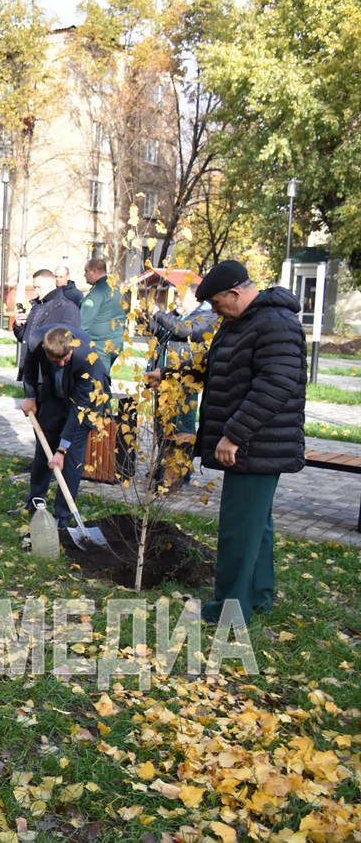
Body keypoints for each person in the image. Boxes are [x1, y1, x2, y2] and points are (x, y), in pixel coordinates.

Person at [145, 261, 305, 624]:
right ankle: (258, 598)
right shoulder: (242, 320)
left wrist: (234, 435)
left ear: (235, 293)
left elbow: (275, 385)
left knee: (239, 529)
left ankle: (228, 610)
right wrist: (168, 374)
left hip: (255, 444)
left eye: (217, 304)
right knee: (255, 527)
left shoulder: (274, 323)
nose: (215, 312)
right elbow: (216, 366)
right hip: (255, 443)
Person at [15, 325, 111, 527]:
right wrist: (30, 396)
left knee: (71, 457)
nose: (61, 364)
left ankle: (63, 516)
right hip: (55, 393)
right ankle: (35, 502)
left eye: (65, 359)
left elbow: (79, 409)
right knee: (44, 449)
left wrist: (61, 449)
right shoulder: (35, 342)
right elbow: (29, 367)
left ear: (72, 348)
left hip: (87, 400)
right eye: (55, 360)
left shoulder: (86, 357)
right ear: (45, 350)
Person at [144, 282, 218, 489]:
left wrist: (157, 313)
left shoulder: (206, 316)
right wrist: (146, 318)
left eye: (181, 296)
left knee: (181, 427)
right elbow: (163, 332)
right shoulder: (181, 316)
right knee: (163, 425)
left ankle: (179, 471)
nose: (177, 299)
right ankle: (164, 466)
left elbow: (185, 331)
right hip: (165, 378)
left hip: (185, 379)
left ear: (195, 298)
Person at [13, 269, 82, 380]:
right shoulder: (36, 305)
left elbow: (69, 344)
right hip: (31, 370)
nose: (36, 291)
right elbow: (26, 338)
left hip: (52, 372)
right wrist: (18, 325)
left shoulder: (67, 308)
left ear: (51, 283)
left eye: (39, 287)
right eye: (34, 287)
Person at [79, 258, 128, 372]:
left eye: (86, 271)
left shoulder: (97, 293)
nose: (84, 275)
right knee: (104, 375)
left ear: (94, 271)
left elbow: (83, 323)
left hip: (101, 344)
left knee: (97, 379)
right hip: (117, 341)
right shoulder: (115, 289)